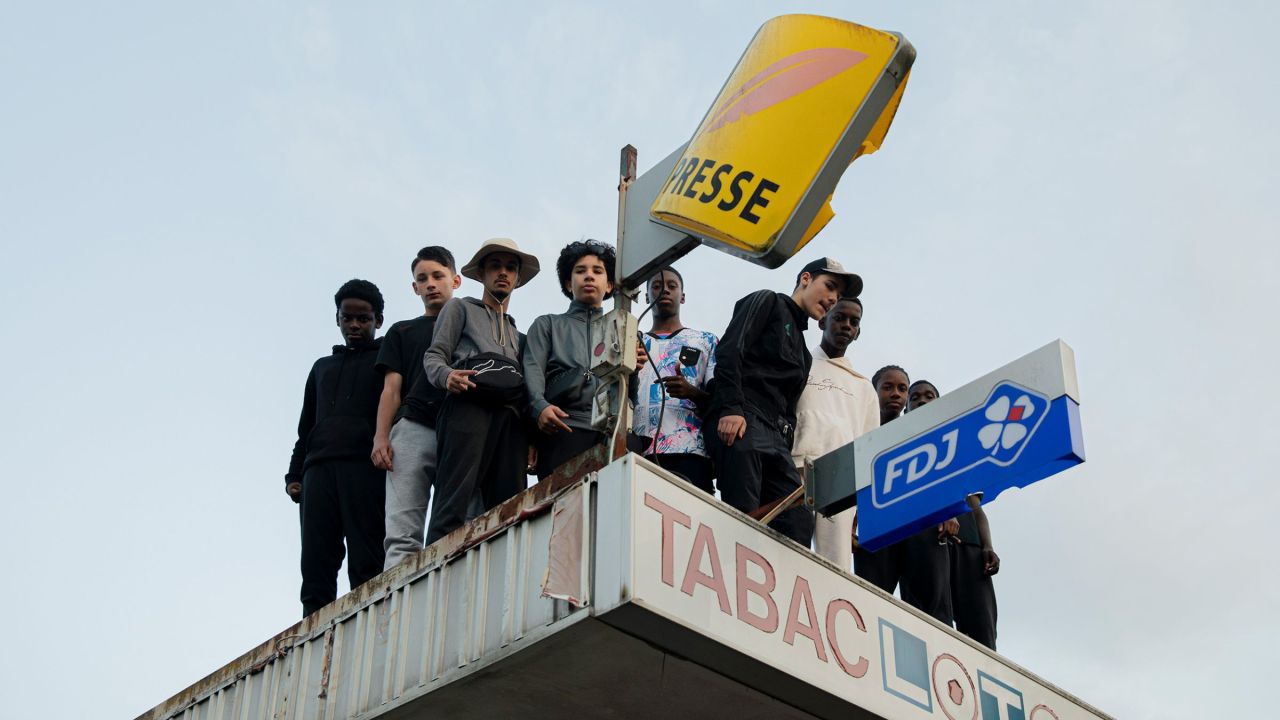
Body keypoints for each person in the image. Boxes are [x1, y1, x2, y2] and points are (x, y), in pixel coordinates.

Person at [703, 258, 859, 546]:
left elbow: (790, 408)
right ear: (805, 279)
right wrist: (731, 408)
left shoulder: (805, 354)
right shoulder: (768, 301)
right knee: (743, 514)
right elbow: (730, 351)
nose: (832, 298)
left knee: (798, 520)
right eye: (829, 286)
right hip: (745, 419)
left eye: (838, 295)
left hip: (777, 438)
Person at [423, 238, 538, 544]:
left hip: (510, 416)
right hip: (468, 403)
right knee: (453, 497)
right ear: (482, 273)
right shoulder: (460, 308)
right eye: (495, 266)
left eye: (510, 267)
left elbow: (527, 388)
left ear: (517, 278)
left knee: (510, 504)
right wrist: (447, 376)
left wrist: (531, 437)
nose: (503, 273)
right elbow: (434, 356)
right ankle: (437, 565)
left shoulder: (519, 336)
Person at [285, 279, 388, 617]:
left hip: (365, 468)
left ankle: (369, 623)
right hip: (317, 471)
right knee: (316, 558)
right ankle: (313, 630)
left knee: (367, 556)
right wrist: (294, 474)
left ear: (378, 320)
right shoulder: (321, 368)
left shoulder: (385, 361)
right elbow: (306, 428)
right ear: (337, 319)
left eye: (363, 318)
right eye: (347, 318)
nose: (354, 325)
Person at [375, 246, 461, 570]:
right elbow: (391, 390)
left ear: (455, 280)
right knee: (402, 531)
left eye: (438, 276)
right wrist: (381, 437)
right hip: (412, 428)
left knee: (462, 522)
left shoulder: (471, 324)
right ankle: (396, 600)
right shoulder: (402, 331)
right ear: (414, 287)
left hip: (460, 430)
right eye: (422, 279)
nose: (430, 284)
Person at [852, 365, 954, 624]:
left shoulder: (923, 434)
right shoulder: (860, 431)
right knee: (869, 598)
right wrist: (850, 523)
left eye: (902, 389)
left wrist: (948, 511)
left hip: (919, 524)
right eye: (888, 387)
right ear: (873, 392)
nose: (896, 394)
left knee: (931, 606)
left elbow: (942, 476)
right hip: (876, 527)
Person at [910, 382, 1000, 649]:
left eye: (929, 396)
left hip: (968, 546)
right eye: (915, 398)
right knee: (932, 621)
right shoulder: (904, 452)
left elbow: (976, 507)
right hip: (928, 542)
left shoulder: (959, 448)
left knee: (981, 626)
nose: (922, 401)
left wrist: (987, 545)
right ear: (907, 410)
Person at [791, 297, 879, 570]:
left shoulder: (863, 386)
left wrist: (862, 505)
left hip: (841, 481)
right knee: (789, 547)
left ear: (858, 332)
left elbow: (869, 446)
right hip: (796, 468)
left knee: (836, 562)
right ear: (822, 321)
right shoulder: (799, 362)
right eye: (839, 318)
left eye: (854, 322)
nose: (846, 325)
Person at [523, 240, 619, 479]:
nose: (589, 276)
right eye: (580, 270)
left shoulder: (620, 332)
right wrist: (540, 407)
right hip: (562, 428)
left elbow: (629, 391)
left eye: (597, 271)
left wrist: (636, 369)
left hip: (609, 434)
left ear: (609, 285)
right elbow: (532, 370)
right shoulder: (548, 324)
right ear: (568, 283)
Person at [634, 266, 719, 493]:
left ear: (682, 296)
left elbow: (721, 400)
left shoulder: (705, 341)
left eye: (672, 286)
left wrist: (692, 392)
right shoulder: (631, 341)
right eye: (656, 286)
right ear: (646, 297)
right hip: (638, 452)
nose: (664, 290)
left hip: (691, 453)